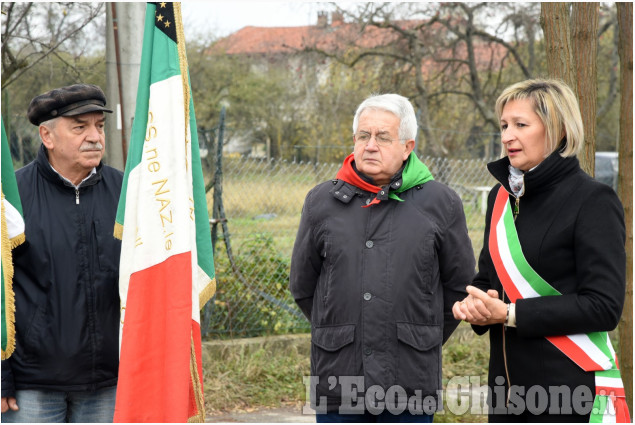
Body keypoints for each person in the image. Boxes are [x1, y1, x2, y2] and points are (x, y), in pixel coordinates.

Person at [290, 93, 475, 422]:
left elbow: (459, 288)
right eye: (364, 136)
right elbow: (303, 287)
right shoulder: (321, 202)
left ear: (407, 146)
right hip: (339, 381)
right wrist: (343, 332)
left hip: (410, 383)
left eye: (383, 137)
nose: (370, 145)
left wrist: (419, 336)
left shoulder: (441, 203)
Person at [452, 79, 630, 422]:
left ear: (558, 129)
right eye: (504, 125)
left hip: (567, 391)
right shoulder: (499, 198)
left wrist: (510, 314)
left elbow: (604, 306)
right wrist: (474, 304)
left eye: (521, 124)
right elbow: (489, 277)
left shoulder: (592, 200)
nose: (507, 136)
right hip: (506, 392)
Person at [1, 84, 123, 422]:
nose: (95, 136)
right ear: (47, 135)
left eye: (99, 125)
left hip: (110, 382)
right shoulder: (11, 200)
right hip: (33, 386)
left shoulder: (127, 193)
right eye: (80, 126)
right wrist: (1, 374)